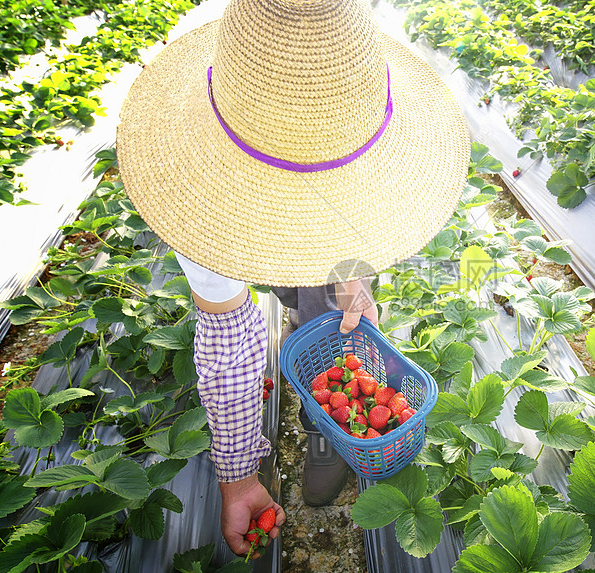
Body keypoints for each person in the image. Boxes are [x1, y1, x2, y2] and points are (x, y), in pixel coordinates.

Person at [116, 0, 469, 557]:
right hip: (230, 171)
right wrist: (237, 474)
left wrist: (354, 283)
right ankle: (298, 309)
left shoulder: (348, 76)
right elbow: (228, 330)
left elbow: (362, 215)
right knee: (288, 282)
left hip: (338, 160)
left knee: (332, 304)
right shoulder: (198, 179)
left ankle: (322, 427)